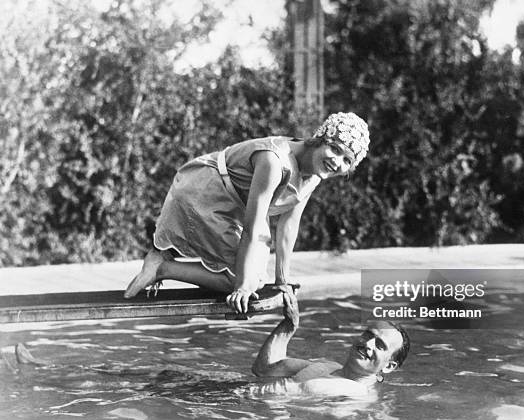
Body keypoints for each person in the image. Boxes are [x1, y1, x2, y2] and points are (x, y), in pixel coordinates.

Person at [124, 112, 370, 313]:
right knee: (244, 281)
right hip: (203, 192)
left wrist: (283, 280)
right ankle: (161, 267)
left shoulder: (314, 175)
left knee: (256, 279)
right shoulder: (275, 161)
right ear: (320, 139)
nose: (337, 162)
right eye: (335, 149)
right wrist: (242, 286)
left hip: (228, 204)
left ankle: (163, 264)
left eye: (347, 161)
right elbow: (254, 227)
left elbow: (288, 226)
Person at [252, 287, 410, 397]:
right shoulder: (326, 366)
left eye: (380, 345)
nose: (368, 344)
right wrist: (289, 325)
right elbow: (263, 370)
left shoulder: (356, 396)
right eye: (368, 335)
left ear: (389, 366)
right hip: (233, 397)